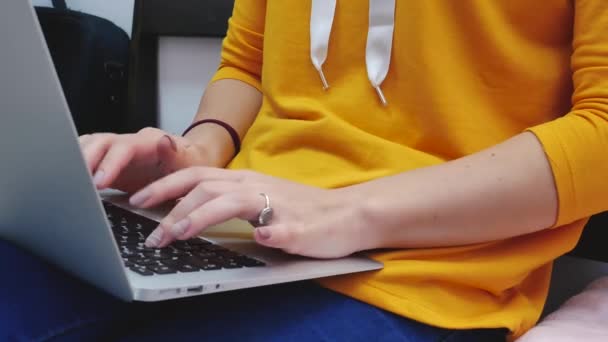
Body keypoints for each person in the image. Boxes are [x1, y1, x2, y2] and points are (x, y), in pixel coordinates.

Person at [2, 0, 607, 341]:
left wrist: (346, 209)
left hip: (422, 275)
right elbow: (246, 63)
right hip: (238, 235)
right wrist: (197, 153)